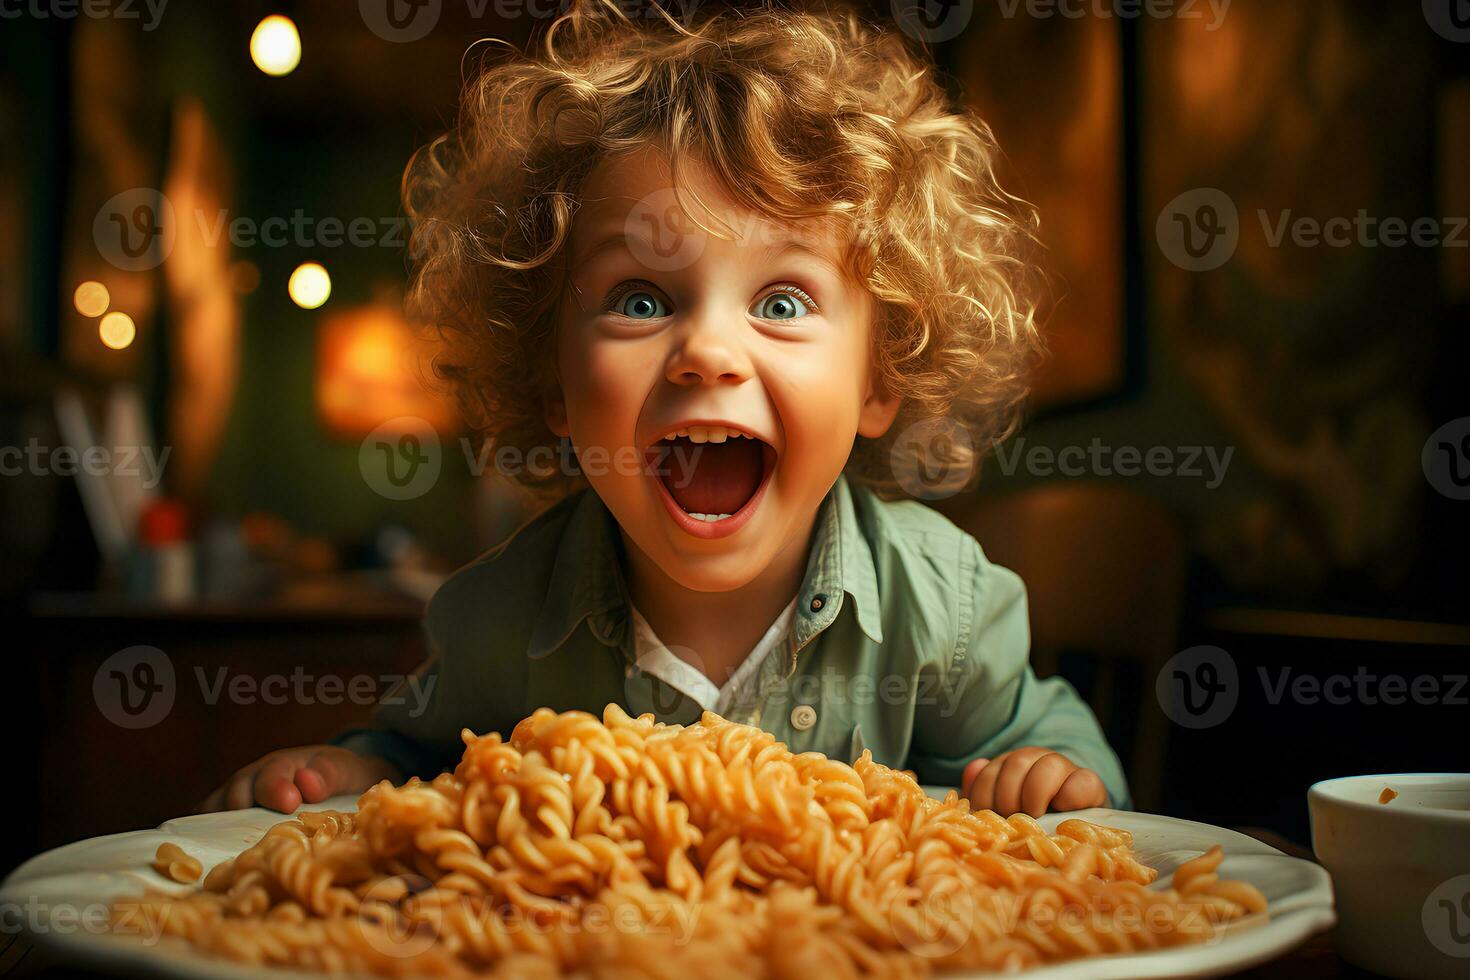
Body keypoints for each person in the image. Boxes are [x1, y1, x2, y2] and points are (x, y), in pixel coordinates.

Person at [202, 0, 1129, 819]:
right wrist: (351, 770)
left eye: (782, 301)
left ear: (880, 379)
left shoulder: (941, 607)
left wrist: (1057, 774)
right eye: (641, 299)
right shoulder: (500, 616)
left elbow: (1061, 761)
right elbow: (414, 759)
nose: (709, 353)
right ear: (554, 384)